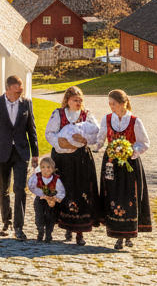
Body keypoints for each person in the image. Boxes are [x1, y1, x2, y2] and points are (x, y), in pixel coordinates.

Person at [0, 75, 40, 240]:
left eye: (21, 90)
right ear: (8, 89)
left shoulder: (26, 103)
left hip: (21, 152)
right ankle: (6, 222)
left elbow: (32, 129)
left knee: (19, 189)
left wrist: (35, 153)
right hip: (1, 152)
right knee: (3, 190)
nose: (20, 94)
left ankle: (19, 227)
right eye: (17, 91)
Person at [97, 89, 152, 250]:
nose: (111, 106)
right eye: (109, 103)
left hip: (129, 164)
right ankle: (118, 235)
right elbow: (100, 139)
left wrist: (131, 151)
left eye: (113, 103)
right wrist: (95, 145)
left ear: (123, 103)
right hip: (111, 163)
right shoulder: (106, 119)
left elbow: (144, 142)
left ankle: (128, 233)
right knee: (113, 195)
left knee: (129, 197)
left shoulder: (135, 121)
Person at [44, 86, 100, 245]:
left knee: (82, 191)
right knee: (63, 190)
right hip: (62, 159)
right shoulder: (58, 114)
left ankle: (80, 232)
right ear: (67, 100)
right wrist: (61, 143)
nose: (78, 102)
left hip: (81, 159)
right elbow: (49, 134)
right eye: (75, 100)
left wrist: (85, 140)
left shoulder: (86, 115)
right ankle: (62, 225)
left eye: (80, 100)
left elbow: (97, 134)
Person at [27, 155, 66, 242]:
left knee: (50, 216)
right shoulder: (37, 177)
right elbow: (32, 186)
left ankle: (48, 234)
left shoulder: (56, 180)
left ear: (52, 169)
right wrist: (41, 193)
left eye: (48, 167)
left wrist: (55, 197)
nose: (46, 170)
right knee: (39, 215)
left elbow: (61, 192)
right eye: (43, 167)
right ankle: (40, 231)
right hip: (40, 199)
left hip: (51, 201)